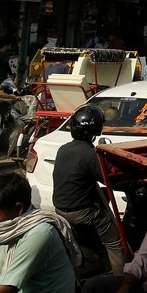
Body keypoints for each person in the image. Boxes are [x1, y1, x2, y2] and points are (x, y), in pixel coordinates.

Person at [52, 106, 126, 275]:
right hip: (83, 213)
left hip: (61, 209)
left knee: (102, 196)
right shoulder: (89, 154)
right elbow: (111, 180)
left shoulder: (64, 149)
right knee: (116, 243)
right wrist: (131, 182)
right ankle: (121, 282)